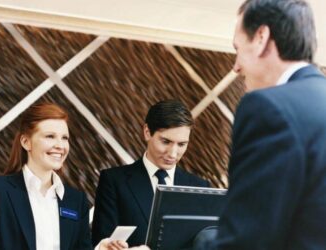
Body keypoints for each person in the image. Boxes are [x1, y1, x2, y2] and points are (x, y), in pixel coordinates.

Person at [197, 0, 326, 249]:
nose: (235, 67)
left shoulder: (267, 108)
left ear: (261, 37)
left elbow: (245, 241)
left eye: (237, 48)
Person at [0, 103, 128, 250]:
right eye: (50, 136)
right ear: (26, 142)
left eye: (64, 138)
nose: (60, 145)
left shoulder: (75, 201)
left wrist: (101, 249)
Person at [92, 100, 210, 247]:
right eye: (166, 141)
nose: (173, 154)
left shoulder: (200, 187)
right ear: (147, 132)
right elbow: (101, 243)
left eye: (181, 144)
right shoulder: (114, 181)